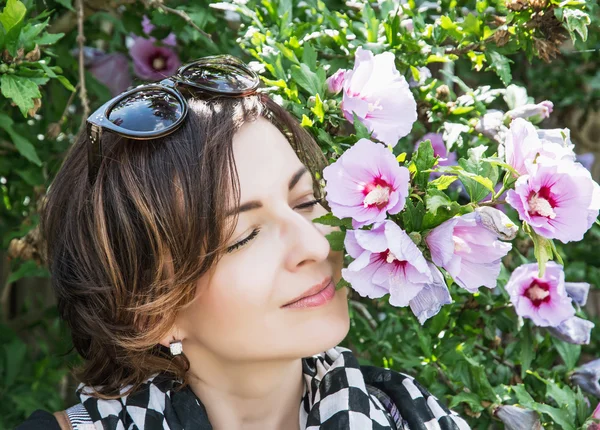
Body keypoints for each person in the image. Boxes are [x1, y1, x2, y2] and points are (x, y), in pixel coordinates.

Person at [17, 55, 470, 430]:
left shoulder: (412, 416)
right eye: (244, 236)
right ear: (151, 314)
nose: (313, 245)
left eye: (307, 200)